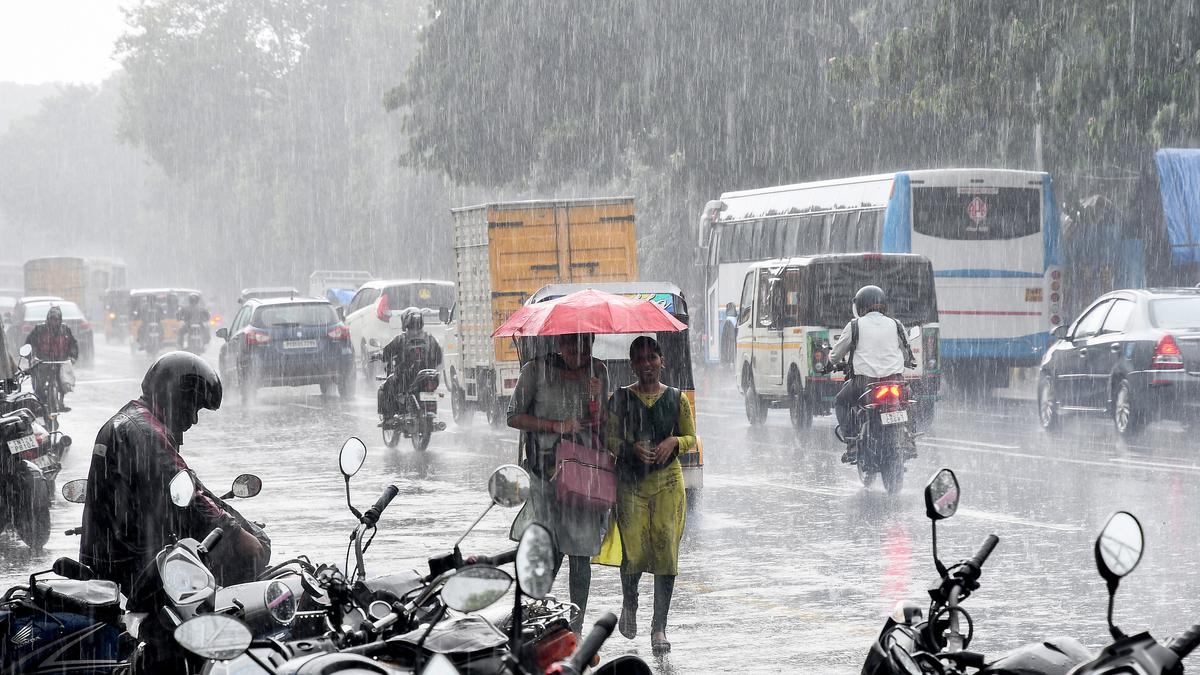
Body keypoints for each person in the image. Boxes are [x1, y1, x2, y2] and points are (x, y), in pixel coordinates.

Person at [80, 351, 270, 595]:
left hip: (111, 558)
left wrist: (235, 521)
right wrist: (236, 533)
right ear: (176, 398)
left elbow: (186, 485)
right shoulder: (146, 434)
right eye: (194, 406)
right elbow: (187, 495)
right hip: (134, 565)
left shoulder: (131, 421)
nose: (194, 420)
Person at [507, 332, 609, 633]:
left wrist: (596, 400)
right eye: (572, 346)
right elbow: (513, 416)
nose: (580, 353)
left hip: (583, 474)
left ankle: (576, 629)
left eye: (586, 345)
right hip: (545, 473)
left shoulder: (598, 371)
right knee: (547, 549)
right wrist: (555, 426)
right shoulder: (534, 371)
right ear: (560, 345)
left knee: (580, 552)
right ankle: (537, 620)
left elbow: (603, 422)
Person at [604, 336, 694, 655]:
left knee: (666, 551)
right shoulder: (620, 398)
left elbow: (691, 437)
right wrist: (630, 448)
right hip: (631, 483)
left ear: (661, 360)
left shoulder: (677, 399)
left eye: (652, 357)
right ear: (632, 365)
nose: (647, 364)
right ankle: (630, 603)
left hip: (669, 482)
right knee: (636, 551)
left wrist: (675, 443)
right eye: (640, 359)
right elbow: (609, 438)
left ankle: (659, 627)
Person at [827, 285, 916, 463]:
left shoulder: (854, 325)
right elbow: (908, 353)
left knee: (841, 402)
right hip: (895, 381)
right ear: (883, 304)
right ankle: (909, 438)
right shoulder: (896, 324)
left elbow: (836, 354)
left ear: (860, 306)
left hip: (865, 384)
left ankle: (851, 443)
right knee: (909, 401)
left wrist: (830, 363)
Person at [377, 307, 443, 417]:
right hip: (427, 377)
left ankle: (388, 418)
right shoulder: (430, 338)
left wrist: (378, 355)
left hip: (405, 377)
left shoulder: (400, 339)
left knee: (384, 388)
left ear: (405, 322)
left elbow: (386, 353)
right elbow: (439, 358)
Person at [25, 305, 79, 411]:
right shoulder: (39, 329)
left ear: (60, 320)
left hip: (60, 360)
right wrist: (32, 357)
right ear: (48, 319)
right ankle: (41, 403)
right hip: (43, 361)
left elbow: (73, 345)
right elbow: (29, 344)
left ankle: (61, 401)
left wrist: (72, 357)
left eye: (56, 319)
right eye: (52, 319)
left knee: (64, 382)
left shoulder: (65, 330)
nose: (54, 322)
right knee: (38, 384)